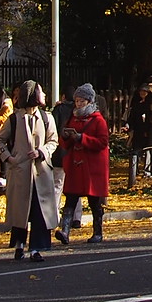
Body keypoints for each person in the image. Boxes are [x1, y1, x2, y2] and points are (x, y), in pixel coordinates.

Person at [0, 80, 59, 259]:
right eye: (41, 92)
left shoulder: (47, 117)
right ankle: (19, 243)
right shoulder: (14, 119)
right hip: (20, 172)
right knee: (21, 210)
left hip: (41, 172)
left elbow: (53, 140)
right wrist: (9, 158)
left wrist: (42, 152)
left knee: (40, 211)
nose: (44, 95)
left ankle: (36, 248)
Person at [57, 84, 110, 242]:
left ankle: (97, 232)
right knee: (70, 199)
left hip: (92, 167)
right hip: (76, 165)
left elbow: (102, 142)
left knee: (94, 201)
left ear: (89, 101)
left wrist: (82, 138)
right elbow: (65, 144)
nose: (79, 104)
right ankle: (65, 232)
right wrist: (66, 137)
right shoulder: (72, 118)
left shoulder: (98, 120)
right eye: (77, 101)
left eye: (82, 101)